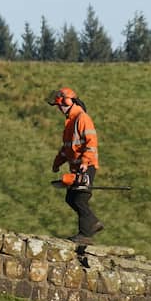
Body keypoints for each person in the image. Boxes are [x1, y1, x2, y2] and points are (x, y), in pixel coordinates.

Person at [47, 87, 103, 244]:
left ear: (67, 101)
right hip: (78, 167)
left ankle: (86, 233)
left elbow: (91, 143)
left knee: (80, 198)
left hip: (87, 165)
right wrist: (57, 162)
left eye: (59, 105)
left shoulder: (82, 118)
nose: (59, 109)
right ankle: (92, 224)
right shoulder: (70, 122)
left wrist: (85, 162)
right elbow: (67, 148)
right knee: (71, 198)